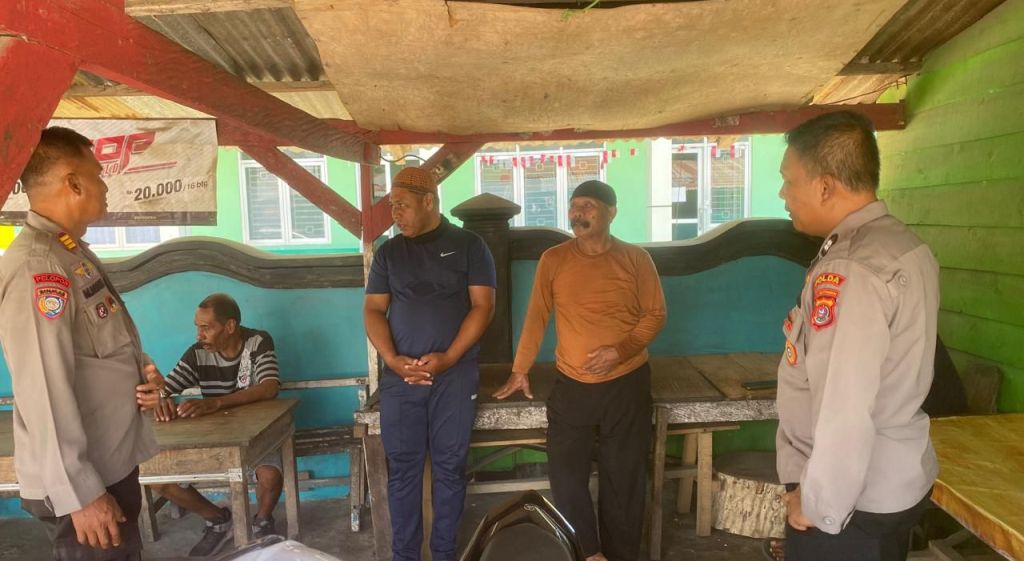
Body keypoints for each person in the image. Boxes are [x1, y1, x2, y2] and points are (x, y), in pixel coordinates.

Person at [774, 110, 938, 561]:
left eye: (789, 180)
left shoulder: (852, 267)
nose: (783, 193)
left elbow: (844, 401)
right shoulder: (903, 244)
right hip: (893, 479)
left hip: (849, 504)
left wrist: (818, 505)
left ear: (825, 186)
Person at [0, 126, 165, 561]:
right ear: (73, 183)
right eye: (98, 174)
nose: (105, 185)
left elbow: (97, 347)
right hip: (83, 483)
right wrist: (81, 493)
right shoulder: (39, 268)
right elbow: (43, 388)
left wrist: (141, 374)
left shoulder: (69, 252)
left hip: (108, 462)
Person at [493, 180, 667, 561]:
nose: (578, 213)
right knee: (566, 475)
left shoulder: (636, 259)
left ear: (611, 213)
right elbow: (536, 317)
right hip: (572, 385)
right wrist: (520, 369)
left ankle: (620, 555)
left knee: (624, 477)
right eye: (574, 206)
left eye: (588, 206)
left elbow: (655, 314)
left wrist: (619, 351)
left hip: (626, 383)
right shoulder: (554, 259)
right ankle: (588, 553)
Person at [364, 166, 496, 561]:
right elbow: (373, 310)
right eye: (391, 206)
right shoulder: (389, 253)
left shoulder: (470, 246)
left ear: (428, 202)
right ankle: (405, 555)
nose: (395, 214)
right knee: (403, 468)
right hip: (401, 378)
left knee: (450, 468)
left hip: (454, 376)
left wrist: (450, 357)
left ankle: (444, 554)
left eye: (402, 205)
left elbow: (483, 307)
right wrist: (392, 360)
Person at [151, 293, 282, 557]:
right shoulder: (197, 353)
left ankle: (262, 521)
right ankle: (218, 519)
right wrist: (159, 398)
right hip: (215, 439)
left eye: (206, 328)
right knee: (159, 480)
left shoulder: (257, 342)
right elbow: (167, 388)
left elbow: (270, 387)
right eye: (197, 327)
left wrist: (216, 403)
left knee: (270, 476)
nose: (199, 335)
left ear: (230, 326)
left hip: (257, 433)